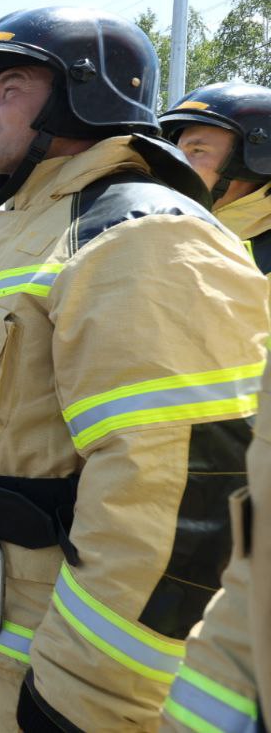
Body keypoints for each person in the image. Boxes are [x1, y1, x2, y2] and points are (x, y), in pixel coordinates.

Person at [0, 6, 267, 732]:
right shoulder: (10, 227)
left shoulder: (145, 235)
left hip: (37, 648)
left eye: (7, 88)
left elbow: (173, 498)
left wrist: (83, 693)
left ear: (82, 94)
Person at [153, 82, 271, 732]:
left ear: (256, 156)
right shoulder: (177, 239)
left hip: (231, 515)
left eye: (195, 149)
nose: (177, 163)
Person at [161, 82, 271, 276]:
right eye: (176, 151)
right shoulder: (167, 232)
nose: (177, 162)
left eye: (197, 151)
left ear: (252, 161)